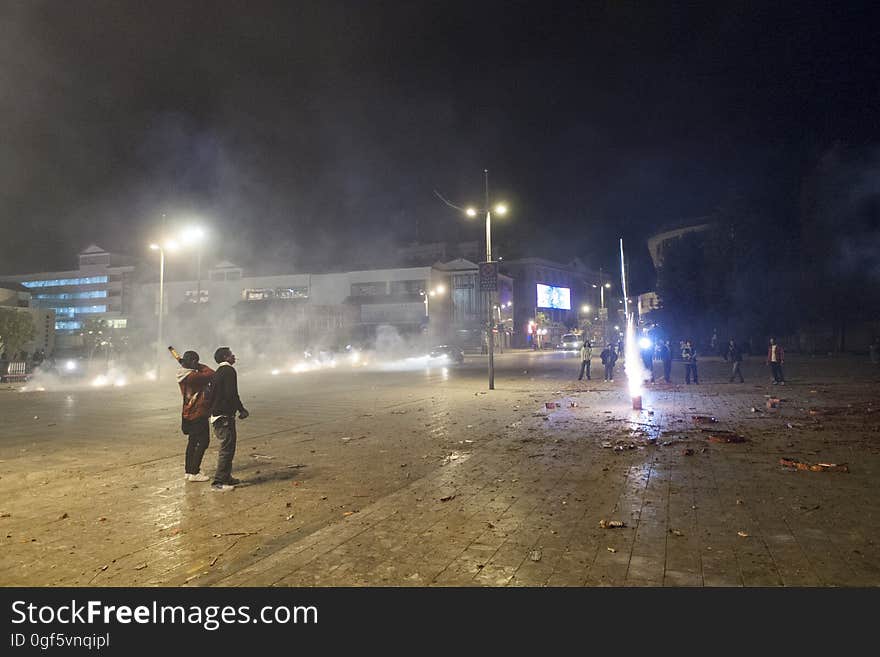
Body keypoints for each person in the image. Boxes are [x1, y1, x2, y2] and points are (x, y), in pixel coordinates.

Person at [210, 346, 249, 491]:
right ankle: (218, 482)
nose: (234, 357)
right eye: (231, 355)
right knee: (226, 449)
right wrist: (241, 409)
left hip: (218, 415)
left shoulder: (218, 372)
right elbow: (232, 393)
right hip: (224, 416)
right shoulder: (228, 371)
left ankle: (227, 477)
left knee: (229, 447)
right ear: (226, 357)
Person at [176, 350, 215, 482]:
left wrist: (192, 365)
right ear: (193, 362)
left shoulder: (184, 374)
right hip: (197, 412)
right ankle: (194, 471)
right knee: (203, 442)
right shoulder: (192, 377)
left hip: (189, 412)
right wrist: (199, 365)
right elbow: (211, 374)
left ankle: (189, 470)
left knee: (192, 442)